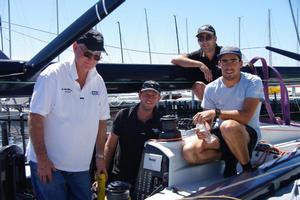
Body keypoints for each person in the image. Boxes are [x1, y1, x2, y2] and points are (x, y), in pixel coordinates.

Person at [26, 29, 110, 199]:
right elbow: (35, 118)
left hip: (80, 166)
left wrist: (100, 156)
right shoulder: (52, 75)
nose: (91, 60)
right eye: (87, 54)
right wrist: (42, 159)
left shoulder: (98, 81)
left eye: (97, 57)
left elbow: (102, 121)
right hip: (50, 164)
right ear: (74, 47)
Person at [182, 46, 264, 177]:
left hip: (246, 132)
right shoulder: (210, 88)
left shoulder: (253, 82)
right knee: (190, 152)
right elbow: (208, 121)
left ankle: (247, 168)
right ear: (219, 64)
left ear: (241, 63)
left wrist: (216, 112)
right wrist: (204, 130)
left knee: (228, 126)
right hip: (222, 132)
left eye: (233, 60)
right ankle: (230, 157)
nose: (229, 64)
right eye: (224, 61)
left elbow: (246, 117)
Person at [104, 80, 162, 192]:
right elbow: (110, 146)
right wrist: (103, 171)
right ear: (140, 95)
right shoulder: (123, 115)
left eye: (153, 95)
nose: (149, 98)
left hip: (148, 176)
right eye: (146, 94)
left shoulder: (161, 121)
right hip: (121, 175)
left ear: (159, 98)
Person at [171, 24, 222, 100]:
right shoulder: (196, 56)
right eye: (201, 38)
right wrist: (200, 64)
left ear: (215, 39)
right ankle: (209, 110)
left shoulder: (225, 53)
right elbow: (175, 59)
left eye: (208, 37)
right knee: (198, 86)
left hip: (227, 92)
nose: (204, 41)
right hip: (209, 100)